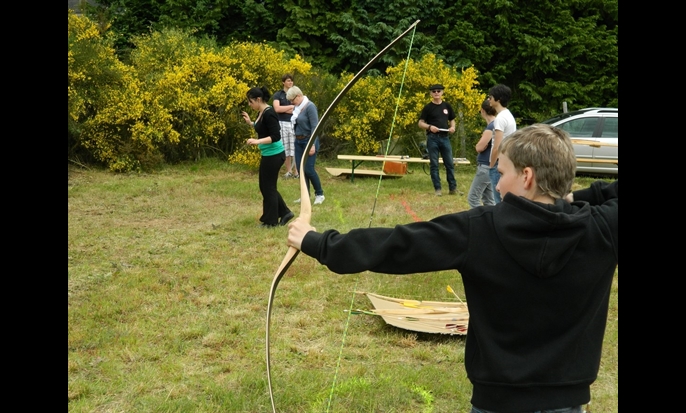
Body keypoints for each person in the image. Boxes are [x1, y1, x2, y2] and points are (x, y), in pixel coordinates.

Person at [287, 123, 618, 413]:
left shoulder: (480, 228)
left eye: (502, 173)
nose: (497, 185)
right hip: (567, 401)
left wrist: (314, 241)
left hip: (496, 401)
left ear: (527, 177)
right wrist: (563, 196)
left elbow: (397, 245)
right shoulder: (602, 229)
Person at [241, 86, 294, 228]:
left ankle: (271, 221)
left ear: (258, 99)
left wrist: (257, 141)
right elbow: (262, 128)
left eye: (251, 101)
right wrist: (250, 123)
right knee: (266, 186)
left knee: (268, 187)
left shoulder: (269, 113)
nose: (249, 104)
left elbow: (275, 136)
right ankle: (285, 212)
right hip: (268, 154)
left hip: (274, 155)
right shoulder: (262, 112)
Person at [286, 86, 325, 206]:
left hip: (309, 140)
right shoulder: (297, 108)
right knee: (301, 170)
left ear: (298, 96)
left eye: (292, 100)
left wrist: (312, 144)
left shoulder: (310, 107)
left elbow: (315, 127)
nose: (291, 103)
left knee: (308, 169)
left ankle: (319, 194)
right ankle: (305, 196)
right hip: (298, 141)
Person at [418, 84, 458, 196]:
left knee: (449, 163)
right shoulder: (428, 107)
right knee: (434, 164)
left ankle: (453, 188)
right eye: (434, 91)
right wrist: (430, 127)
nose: (436, 93)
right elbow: (420, 123)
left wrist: (452, 127)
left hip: (445, 137)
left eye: (438, 91)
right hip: (432, 138)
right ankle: (438, 189)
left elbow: (452, 119)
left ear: (442, 92)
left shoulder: (447, 106)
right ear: (431, 93)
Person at [487, 84, 517, 203]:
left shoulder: (500, 118)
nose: (489, 99)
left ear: (498, 99)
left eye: (490, 97)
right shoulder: (508, 115)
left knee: (498, 199)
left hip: (499, 162)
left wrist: (491, 166)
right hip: (508, 159)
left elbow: (497, 146)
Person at [467, 99, 497, 208]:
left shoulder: (490, 127)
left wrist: (480, 145)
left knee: (473, 198)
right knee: (489, 200)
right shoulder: (498, 124)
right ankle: (491, 217)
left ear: (482, 111)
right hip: (491, 166)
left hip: (485, 167)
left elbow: (479, 147)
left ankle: (479, 217)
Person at [273, 73, 298, 179]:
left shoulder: (296, 94)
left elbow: (297, 109)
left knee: (295, 147)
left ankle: (297, 172)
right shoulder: (278, 95)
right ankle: (289, 171)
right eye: (288, 80)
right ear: (283, 82)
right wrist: (290, 107)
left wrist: (285, 109)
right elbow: (277, 109)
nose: (290, 82)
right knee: (286, 147)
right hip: (282, 123)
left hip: (294, 123)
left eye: (291, 80)